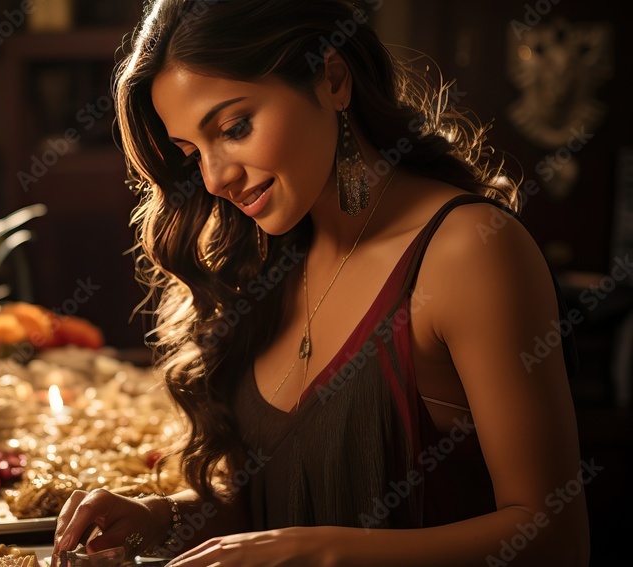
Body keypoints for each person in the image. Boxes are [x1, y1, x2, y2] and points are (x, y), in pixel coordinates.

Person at [52, 0, 590, 565]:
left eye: (234, 128)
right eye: (192, 152)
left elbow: (554, 539)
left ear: (332, 78)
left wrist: (326, 554)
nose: (214, 178)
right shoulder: (260, 264)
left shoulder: (468, 252)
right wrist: (158, 520)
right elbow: (279, 508)